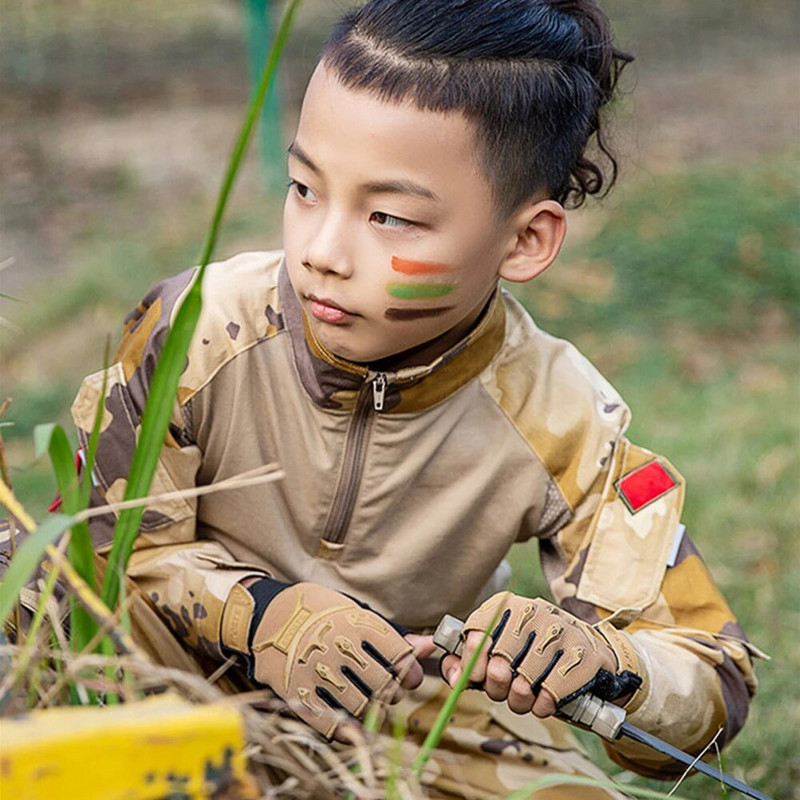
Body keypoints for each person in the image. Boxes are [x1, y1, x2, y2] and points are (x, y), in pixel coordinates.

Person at [71, 1, 759, 796]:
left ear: (525, 240)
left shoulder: (567, 419)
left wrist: (607, 664)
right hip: (174, 688)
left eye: (390, 216)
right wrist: (261, 616)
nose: (321, 252)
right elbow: (105, 556)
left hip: (402, 717)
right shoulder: (193, 330)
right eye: (303, 188)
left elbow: (715, 683)